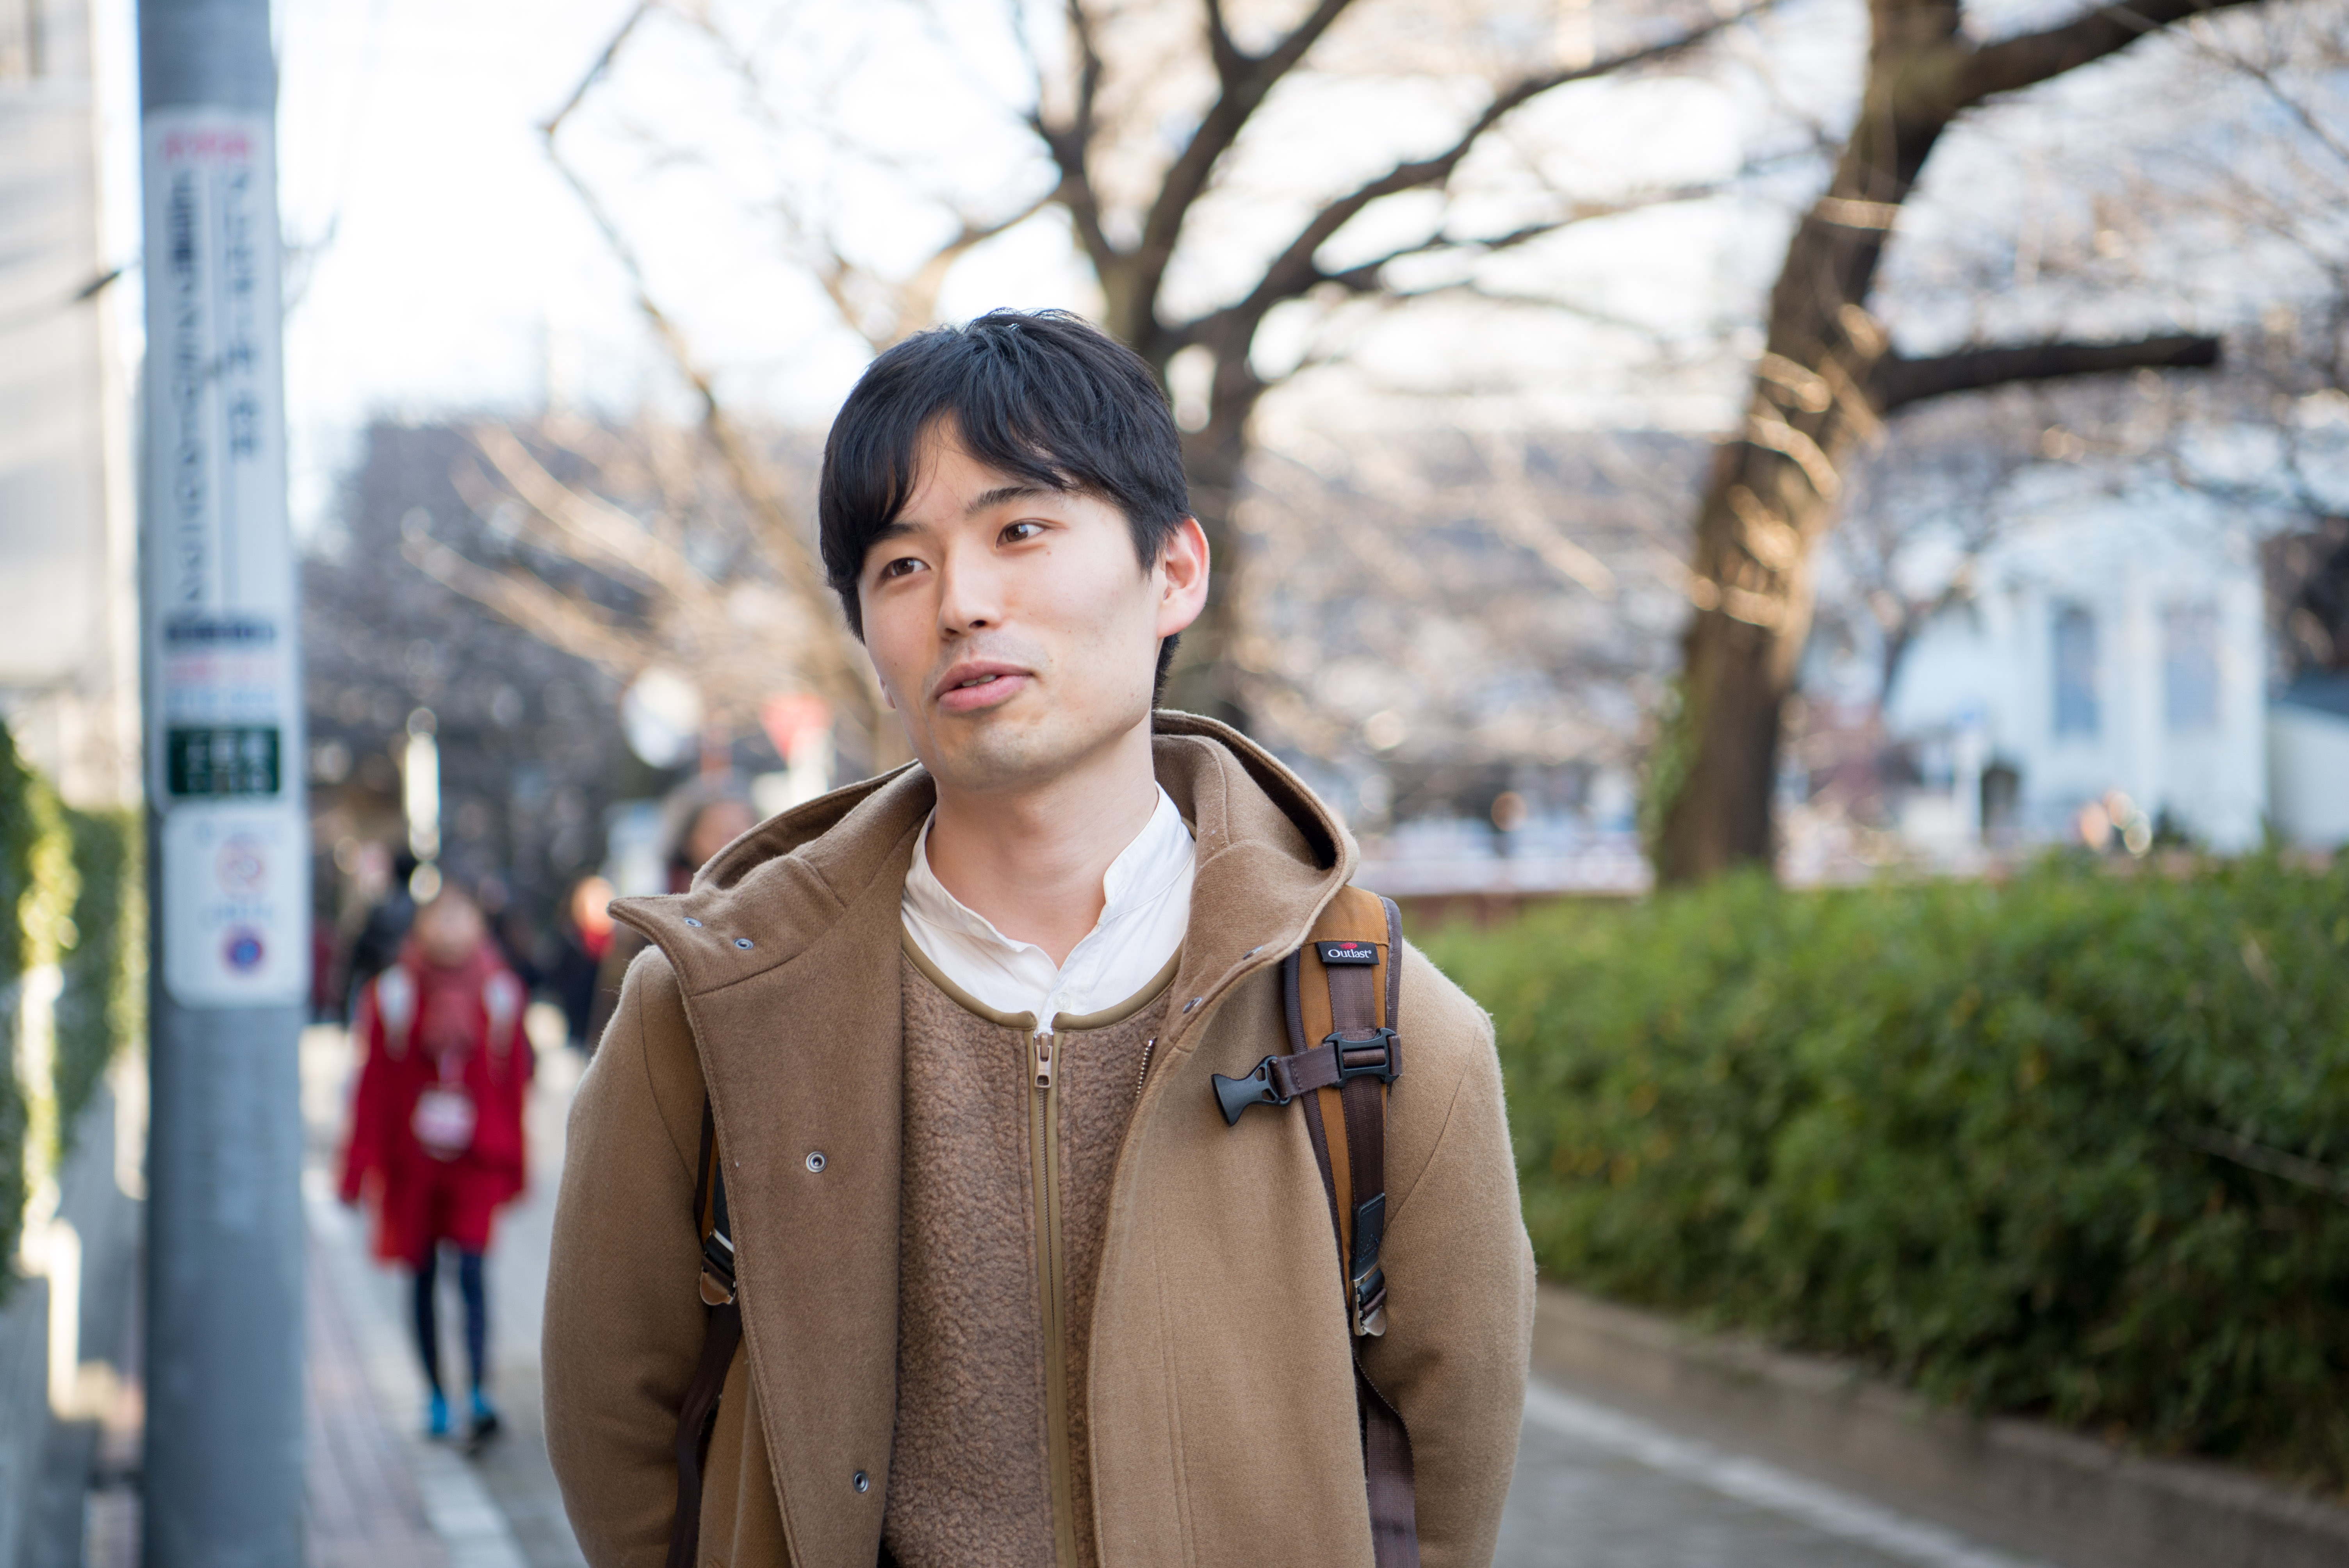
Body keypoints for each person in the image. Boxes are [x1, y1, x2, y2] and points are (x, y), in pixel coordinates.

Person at [544, 310, 1533, 1566]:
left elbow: (1445, 1477)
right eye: (901, 566)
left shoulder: (1376, 1018)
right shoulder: (706, 1014)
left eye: (1020, 530)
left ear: (1174, 570)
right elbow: (613, 1424)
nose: (961, 602)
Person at [341, 885, 533, 1443]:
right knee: (421, 1278)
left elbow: (515, 1085)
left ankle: (479, 1391)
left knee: (473, 1274)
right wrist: (358, 1168)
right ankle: (435, 1396)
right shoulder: (394, 993)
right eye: (440, 918)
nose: (451, 928)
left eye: (461, 917)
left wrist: (517, 1164)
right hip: (412, 1164)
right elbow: (372, 1086)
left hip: (475, 1160)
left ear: (478, 925)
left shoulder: (500, 991)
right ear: (420, 927)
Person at [583, 787, 757, 1051]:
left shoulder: (777, 911)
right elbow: (613, 1023)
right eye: (718, 832)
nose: (731, 842)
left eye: (741, 831)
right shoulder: (653, 920)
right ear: (688, 840)